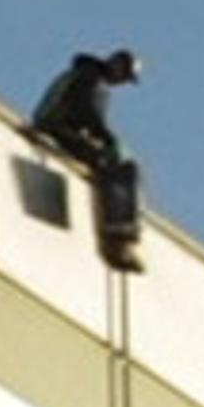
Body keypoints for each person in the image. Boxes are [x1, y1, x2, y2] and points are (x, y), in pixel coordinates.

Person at [27, 49, 148, 271]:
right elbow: (86, 114)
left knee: (111, 161)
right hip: (56, 127)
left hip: (58, 124)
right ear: (116, 63)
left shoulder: (88, 76)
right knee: (121, 169)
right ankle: (119, 234)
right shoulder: (91, 78)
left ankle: (120, 226)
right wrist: (108, 140)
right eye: (124, 75)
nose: (120, 82)